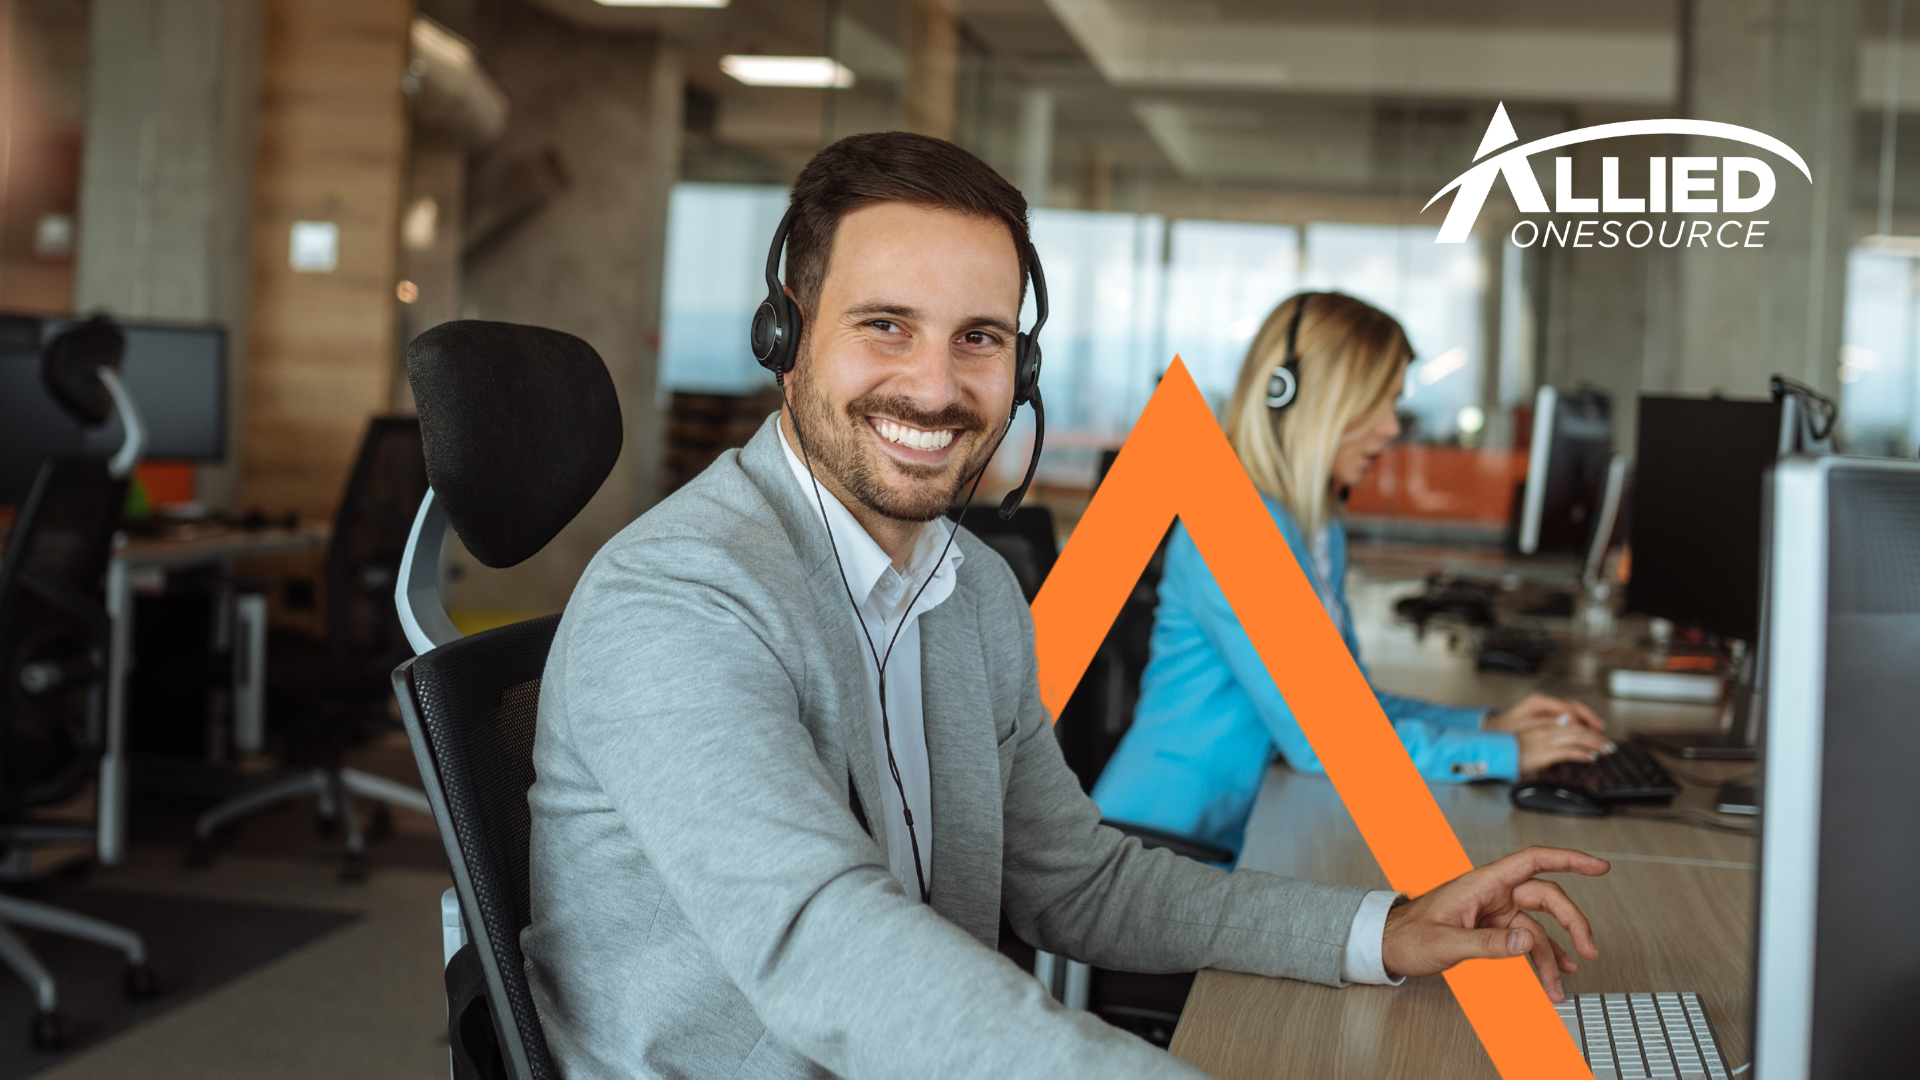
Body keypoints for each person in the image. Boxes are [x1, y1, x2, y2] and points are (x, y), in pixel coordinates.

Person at [523, 133, 1608, 1080]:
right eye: (886, 326)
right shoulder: (678, 602)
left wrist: (1383, 931)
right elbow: (825, 948)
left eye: (980, 338)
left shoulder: (970, 591)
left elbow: (1075, 880)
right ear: (787, 337)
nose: (938, 388)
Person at [1092, 292, 1613, 859]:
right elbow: (1326, 742)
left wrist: (1489, 723)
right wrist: (1509, 755)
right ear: (1311, 400)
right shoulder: (1229, 529)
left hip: (1240, 825)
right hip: (1158, 846)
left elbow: (1347, 705)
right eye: (1379, 403)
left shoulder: (1316, 527)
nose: (1393, 428)